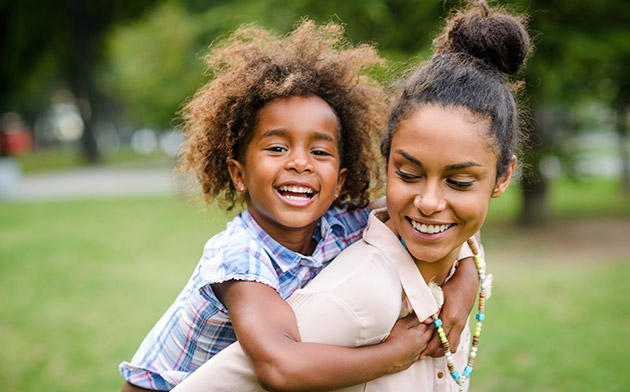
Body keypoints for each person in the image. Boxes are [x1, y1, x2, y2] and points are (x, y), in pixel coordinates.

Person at [171, 1, 529, 391]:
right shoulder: (240, 258)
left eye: (320, 151)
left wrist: (467, 278)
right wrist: (392, 355)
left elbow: (437, 220)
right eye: (276, 149)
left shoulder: (341, 221)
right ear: (237, 174)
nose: (300, 164)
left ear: (341, 181)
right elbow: (279, 368)